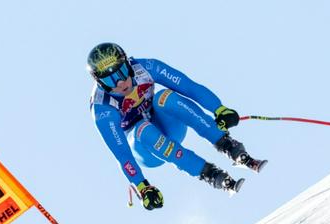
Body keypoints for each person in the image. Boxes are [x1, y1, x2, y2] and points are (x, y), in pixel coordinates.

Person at [87, 42, 267, 211]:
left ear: (127, 63)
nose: (120, 83)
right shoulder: (103, 107)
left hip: (169, 127)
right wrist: (143, 187)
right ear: (100, 83)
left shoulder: (145, 68)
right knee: (143, 129)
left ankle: (229, 146)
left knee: (165, 97)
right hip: (146, 150)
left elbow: (189, 87)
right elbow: (122, 154)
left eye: (121, 72)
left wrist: (219, 109)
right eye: (110, 81)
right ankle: (211, 175)